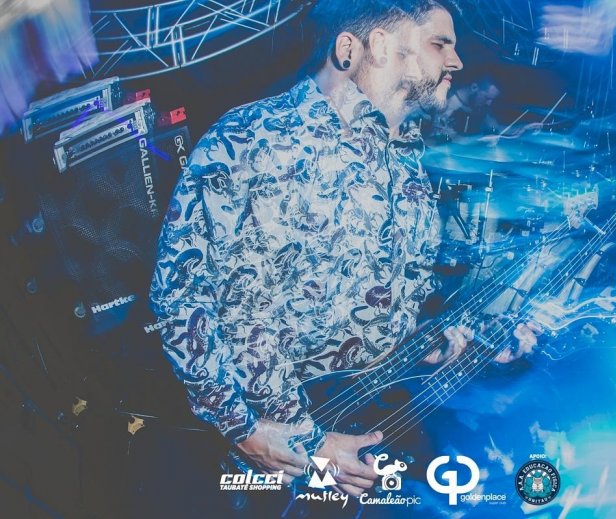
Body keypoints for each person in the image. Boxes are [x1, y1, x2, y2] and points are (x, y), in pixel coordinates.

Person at [149, 0, 538, 499]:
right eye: (439, 43)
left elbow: (387, 309)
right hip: (273, 459)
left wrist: (435, 346)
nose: (456, 61)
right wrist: (246, 430)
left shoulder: (408, 164)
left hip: (359, 434)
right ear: (368, 47)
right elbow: (181, 296)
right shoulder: (256, 137)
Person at [431, 76, 501, 138]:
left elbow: (492, 124)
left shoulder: (478, 106)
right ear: (474, 87)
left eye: (492, 100)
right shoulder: (446, 104)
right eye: (487, 98)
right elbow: (440, 136)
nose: (489, 103)